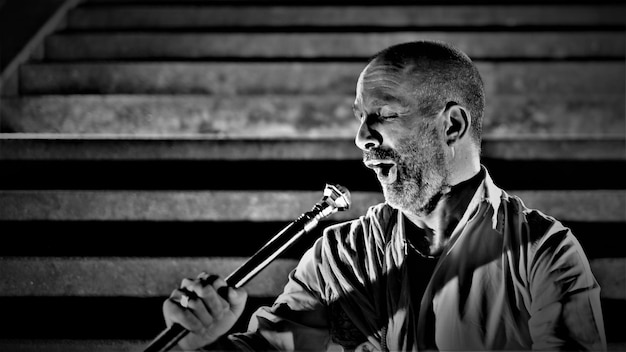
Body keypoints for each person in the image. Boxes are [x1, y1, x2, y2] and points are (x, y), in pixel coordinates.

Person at [161, 40, 607, 351]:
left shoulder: (544, 253)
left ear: (452, 126)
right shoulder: (338, 257)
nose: (361, 138)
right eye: (360, 117)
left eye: (383, 115)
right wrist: (201, 342)